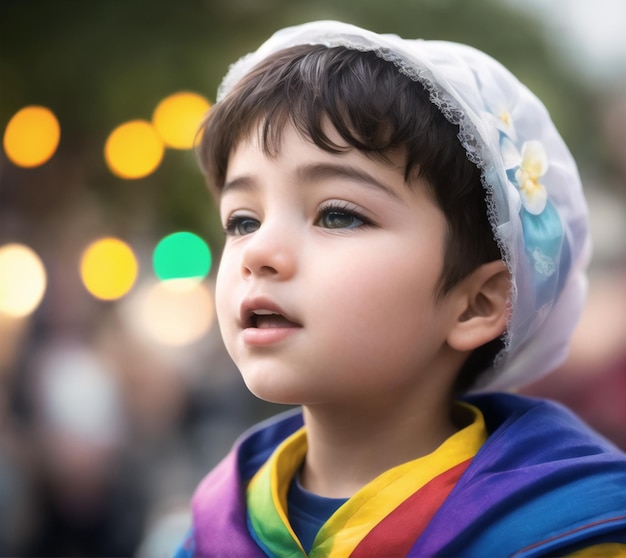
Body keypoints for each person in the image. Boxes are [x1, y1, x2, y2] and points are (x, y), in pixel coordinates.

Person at [174, 20, 626, 557]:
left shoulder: (567, 531)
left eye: (338, 215)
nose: (258, 253)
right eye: (242, 221)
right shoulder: (213, 531)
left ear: (477, 304)